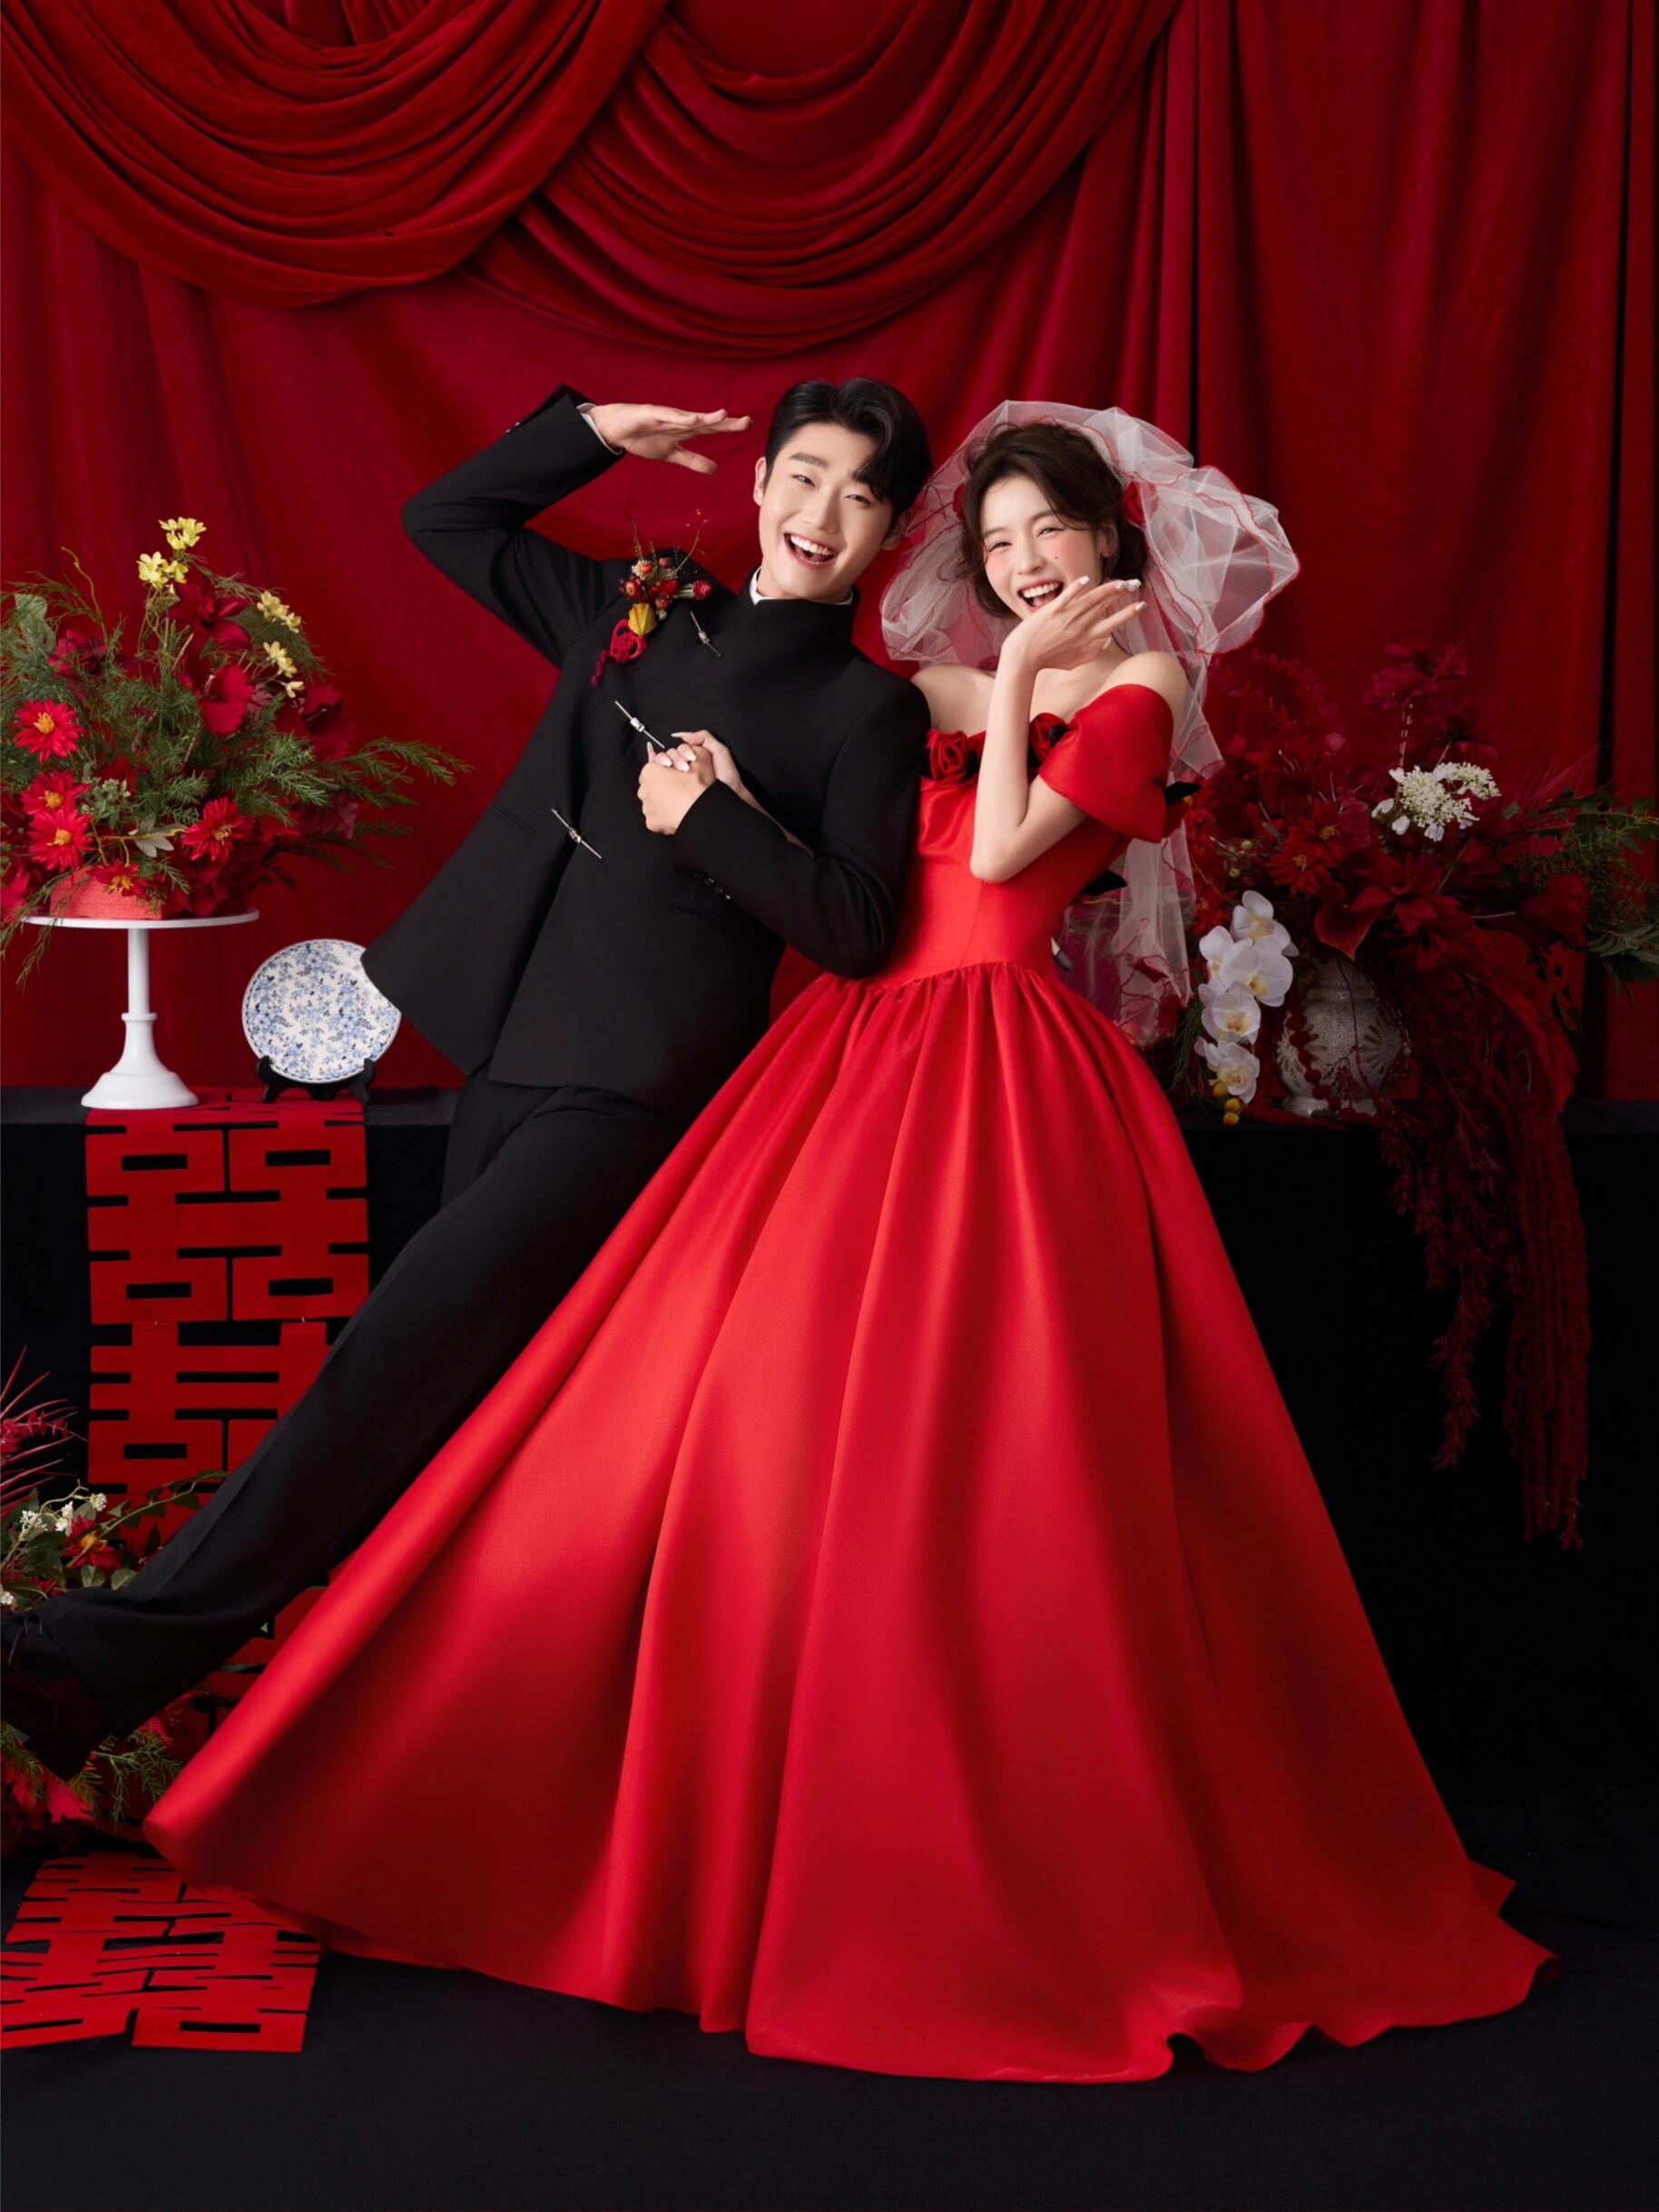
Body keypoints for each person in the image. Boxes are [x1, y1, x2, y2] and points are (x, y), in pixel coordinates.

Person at [149, 405, 1556, 2081]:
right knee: (707, 1433)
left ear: (1112, 543)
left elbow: (1013, 853)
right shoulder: (920, 687)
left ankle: (914, 1859)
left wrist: (1014, 680)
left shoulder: (1145, 684)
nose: (1022, 565)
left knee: (972, 1465)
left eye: (1050, 535)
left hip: (999, 1072)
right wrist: (762, 787)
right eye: (998, 542)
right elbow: (859, 846)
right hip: (847, 1052)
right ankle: (598, 1806)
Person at [2, 377, 935, 1780]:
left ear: (893, 530)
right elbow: (447, 519)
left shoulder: (867, 709)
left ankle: (84, 1662)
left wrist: (714, 819)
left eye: (860, 495)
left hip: (636, 1092)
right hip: (505, 1047)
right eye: (802, 475)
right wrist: (592, 436)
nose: (821, 514)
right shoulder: (649, 605)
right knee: (450, 1418)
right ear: (758, 484)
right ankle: (378, 1745)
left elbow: (862, 927)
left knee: (382, 1365)